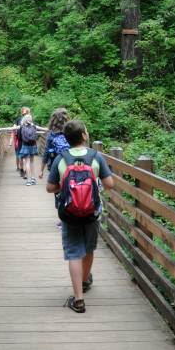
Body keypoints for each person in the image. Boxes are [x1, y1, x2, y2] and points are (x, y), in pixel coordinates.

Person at [46, 120, 114, 313]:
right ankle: (85, 281)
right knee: (89, 247)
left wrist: (68, 187)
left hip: (69, 214)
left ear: (67, 139)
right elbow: (110, 184)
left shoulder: (61, 158)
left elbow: (50, 188)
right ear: (84, 136)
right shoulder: (96, 156)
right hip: (92, 213)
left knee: (74, 253)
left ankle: (78, 300)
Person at [0, 113, 48, 186]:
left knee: (27, 162)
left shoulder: (21, 126)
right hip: (33, 146)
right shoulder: (34, 126)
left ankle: (28, 181)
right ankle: (33, 177)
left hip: (25, 146)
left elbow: (11, 128)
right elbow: (45, 129)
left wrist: (1, 128)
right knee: (32, 162)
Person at [39, 108, 70, 180]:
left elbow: (46, 152)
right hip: (70, 163)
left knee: (57, 187)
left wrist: (41, 170)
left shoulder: (51, 134)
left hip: (56, 164)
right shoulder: (71, 132)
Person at [10, 107, 30, 178]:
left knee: (22, 156)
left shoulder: (18, 120)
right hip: (27, 140)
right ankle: (24, 171)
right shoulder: (31, 120)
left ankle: (22, 170)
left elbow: (14, 127)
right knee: (26, 157)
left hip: (21, 140)